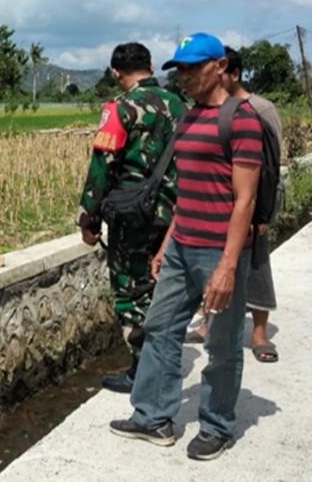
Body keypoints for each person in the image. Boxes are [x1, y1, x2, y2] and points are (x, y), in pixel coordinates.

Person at [109, 33, 263, 460]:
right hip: (181, 245)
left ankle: (217, 425)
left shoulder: (243, 118)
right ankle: (153, 417)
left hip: (219, 250)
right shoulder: (190, 116)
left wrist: (229, 265)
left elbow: (245, 199)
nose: (186, 77)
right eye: (180, 70)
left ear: (218, 66)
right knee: (159, 328)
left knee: (222, 343)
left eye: (194, 68)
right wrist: (168, 241)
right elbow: (188, 189)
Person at [78, 42, 186, 393]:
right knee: (161, 287)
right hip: (173, 216)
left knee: (129, 291)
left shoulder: (119, 108)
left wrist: (88, 219)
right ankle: (164, 358)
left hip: (132, 218)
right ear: (152, 66)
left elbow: (102, 166)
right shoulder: (180, 105)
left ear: (115, 73)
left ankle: (142, 370)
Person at [187, 47, 283, 362]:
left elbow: (270, 165)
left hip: (253, 206)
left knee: (257, 268)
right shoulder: (206, 110)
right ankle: (207, 323)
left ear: (232, 73)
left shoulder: (260, 109)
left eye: (219, 73)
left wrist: (264, 212)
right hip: (216, 209)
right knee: (213, 269)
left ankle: (259, 332)